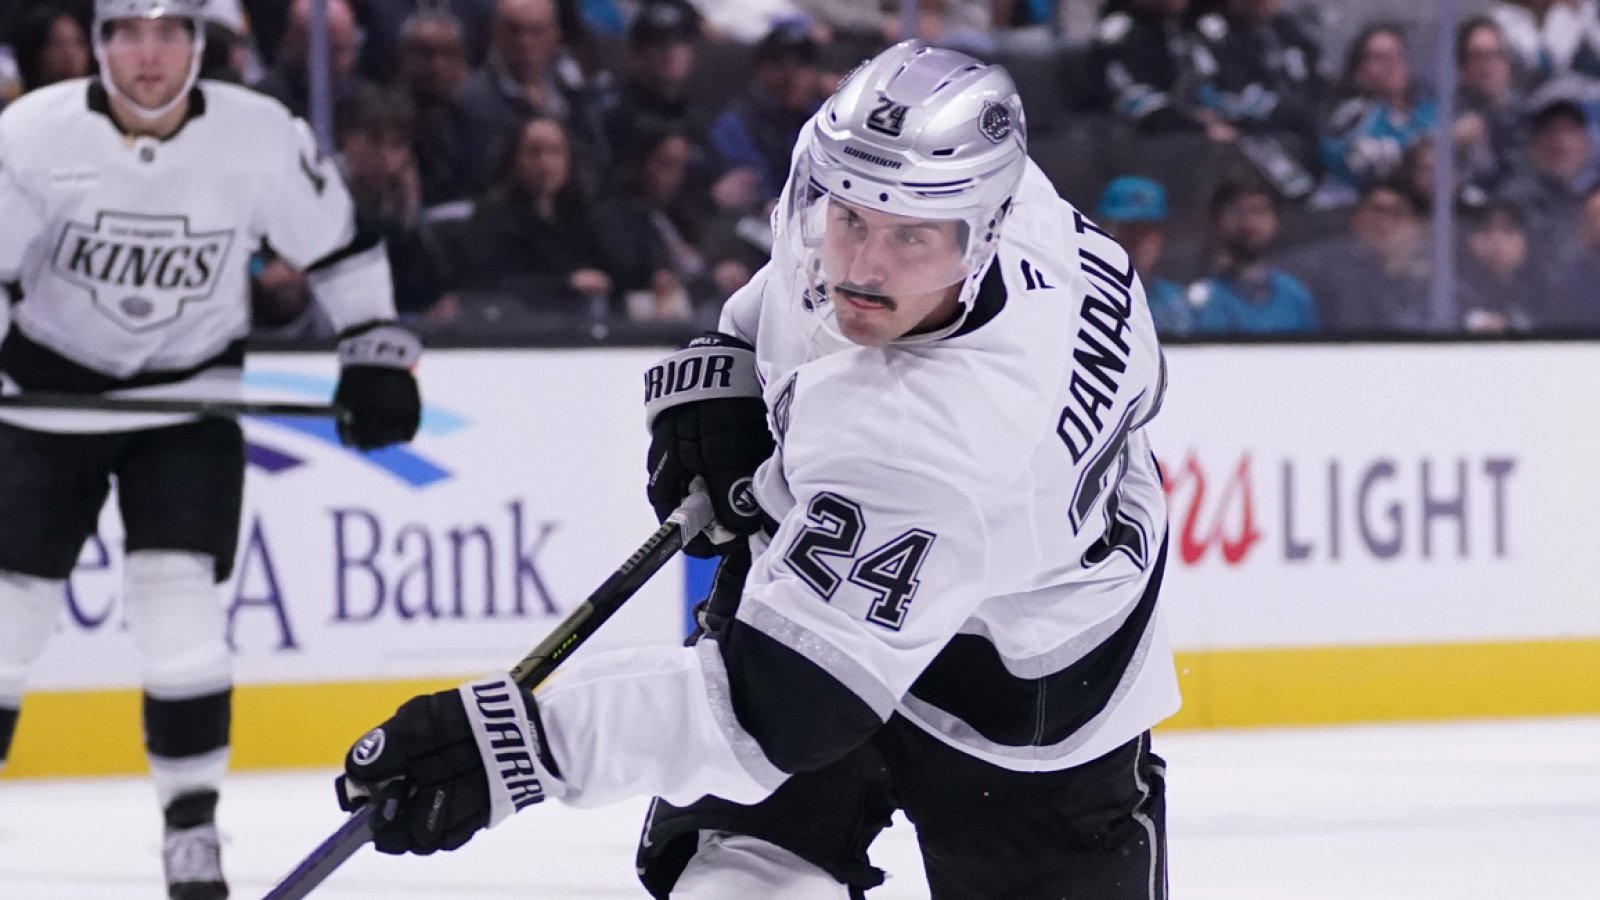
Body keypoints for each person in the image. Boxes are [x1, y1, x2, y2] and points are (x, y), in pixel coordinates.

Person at [337, 40, 1177, 900]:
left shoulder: (948, 438)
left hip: (1019, 696)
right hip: (875, 579)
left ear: (983, 234)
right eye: (850, 217)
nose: (862, 266)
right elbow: (798, 279)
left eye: (908, 237)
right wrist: (734, 352)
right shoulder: (992, 190)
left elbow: (769, 710)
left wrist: (513, 744)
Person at [0, 3, 423, 899]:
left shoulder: (259, 136)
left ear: (200, 45)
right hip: (46, 396)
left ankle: (191, 829)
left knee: (179, 615)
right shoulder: (30, 135)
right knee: (7, 619)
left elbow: (342, 250)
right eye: (127, 33)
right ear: (100, 44)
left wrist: (374, 355)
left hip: (189, 400)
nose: (148, 54)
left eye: (170, 33)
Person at [1186, 174, 1319, 334]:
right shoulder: (1199, 300)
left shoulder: (1295, 297)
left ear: (1275, 220)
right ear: (1217, 220)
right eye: (1238, 210)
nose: (1250, 222)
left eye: (1260, 210)